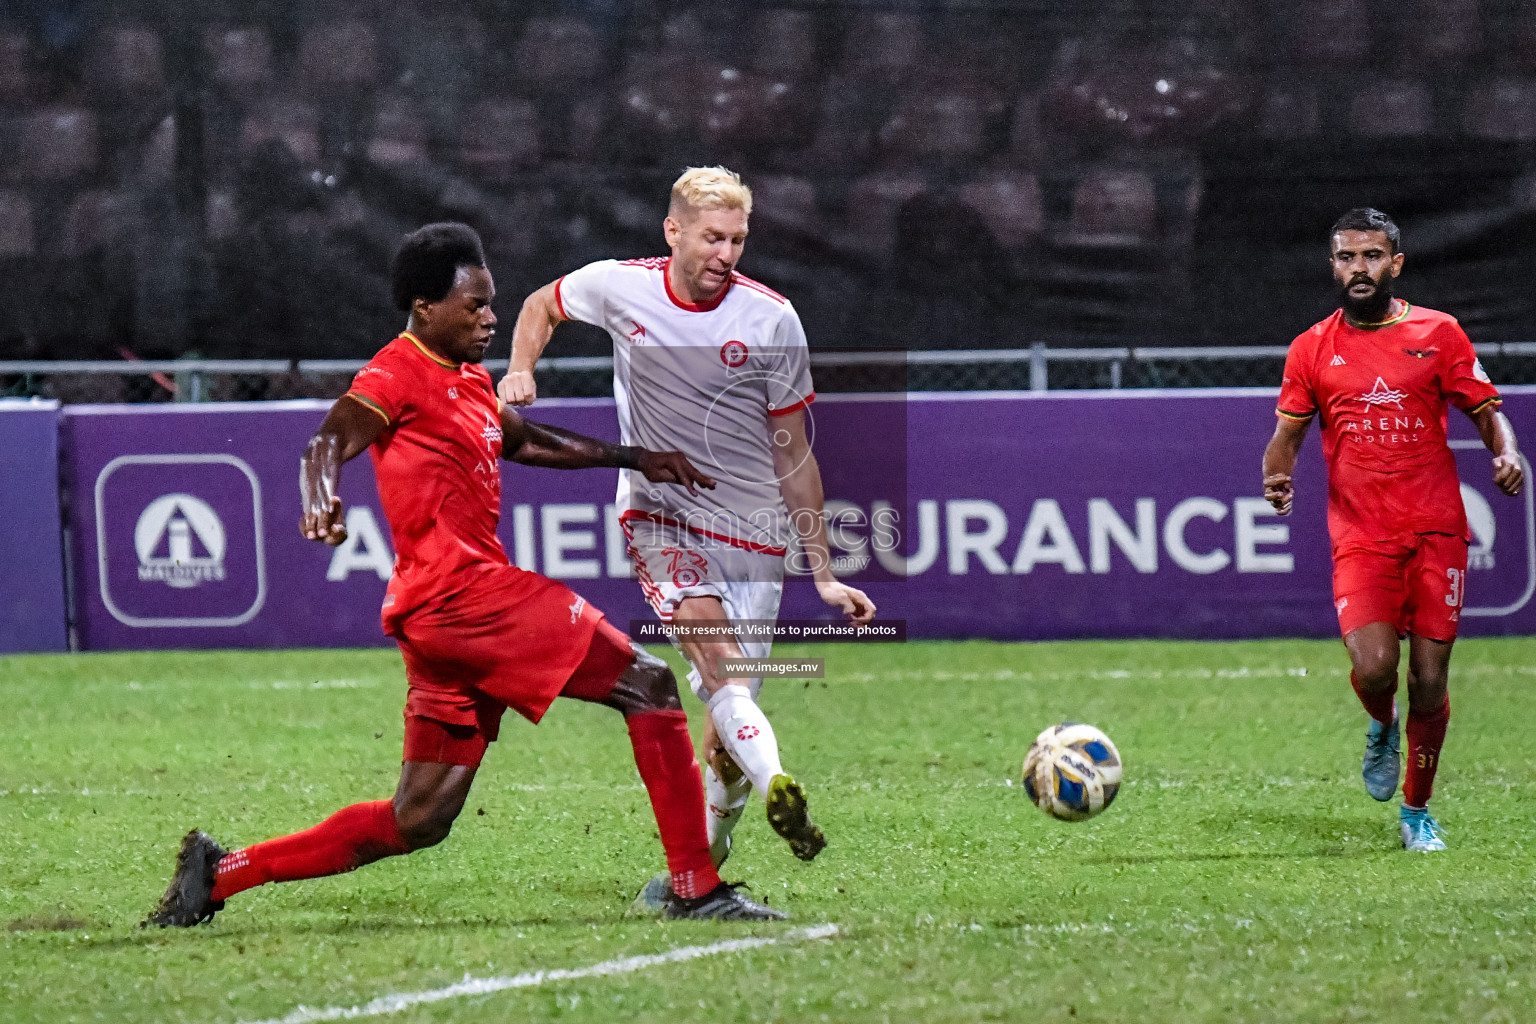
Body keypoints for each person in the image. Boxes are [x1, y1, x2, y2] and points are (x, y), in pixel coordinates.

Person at [144, 222, 784, 926]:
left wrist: (636, 459)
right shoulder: (397, 370)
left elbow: (531, 439)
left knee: (419, 818)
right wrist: (320, 497)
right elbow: (328, 440)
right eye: (474, 305)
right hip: (465, 598)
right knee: (650, 683)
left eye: (491, 303)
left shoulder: (468, 382)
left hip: (441, 618)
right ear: (424, 307)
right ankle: (696, 886)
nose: (490, 317)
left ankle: (220, 873)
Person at [498, 167, 875, 897]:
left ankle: (712, 852)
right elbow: (541, 303)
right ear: (673, 232)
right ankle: (778, 782)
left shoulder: (771, 319)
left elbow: (793, 452)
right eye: (712, 237)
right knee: (717, 668)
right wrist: (519, 369)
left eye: (737, 239)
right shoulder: (620, 286)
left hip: (753, 531)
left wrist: (823, 570)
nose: (725, 252)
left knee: (727, 725)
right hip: (661, 516)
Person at [1261, 207, 1523, 852]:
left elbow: (1486, 408)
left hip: (1436, 529)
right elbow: (1288, 432)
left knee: (1430, 677)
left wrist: (1507, 452)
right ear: (1332, 266)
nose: (1359, 268)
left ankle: (1417, 812)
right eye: (1347, 257)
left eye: (1371, 256)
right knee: (1375, 667)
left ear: (1395, 263)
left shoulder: (1440, 332)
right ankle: (1382, 724)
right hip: (1361, 534)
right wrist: (1277, 477)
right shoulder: (1312, 348)